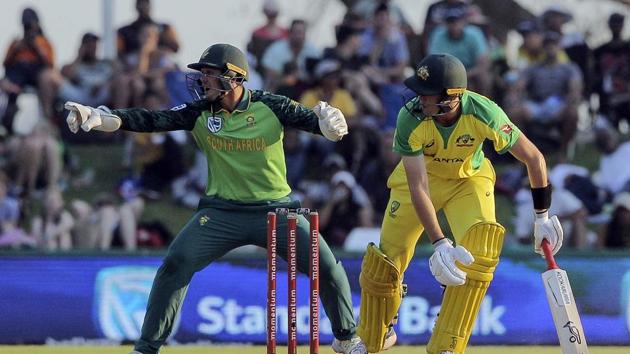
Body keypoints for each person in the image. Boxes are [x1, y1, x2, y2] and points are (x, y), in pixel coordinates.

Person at [64, 43, 367, 354]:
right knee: (176, 263)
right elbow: (152, 120)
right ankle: (147, 348)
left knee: (327, 267)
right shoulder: (199, 113)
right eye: (202, 74)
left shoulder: (270, 105)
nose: (202, 81)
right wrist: (102, 116)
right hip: (222, 213)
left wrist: (331, 125)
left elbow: (315, 122)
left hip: (278, 211)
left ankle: (346, 338)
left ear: (233, 77)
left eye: (209, 74)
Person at [356, 53, 563, 353]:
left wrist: (541, 216)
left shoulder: (484, 112)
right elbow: (419, 186)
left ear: (451, 97)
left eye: (427, 94)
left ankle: (448, 340)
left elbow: (534, 158)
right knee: (385, 262)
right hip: (419, 182)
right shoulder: (410, 118)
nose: (418, 99)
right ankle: (375, 334)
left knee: (481, 249)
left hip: (468, 180)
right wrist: (440, 242)